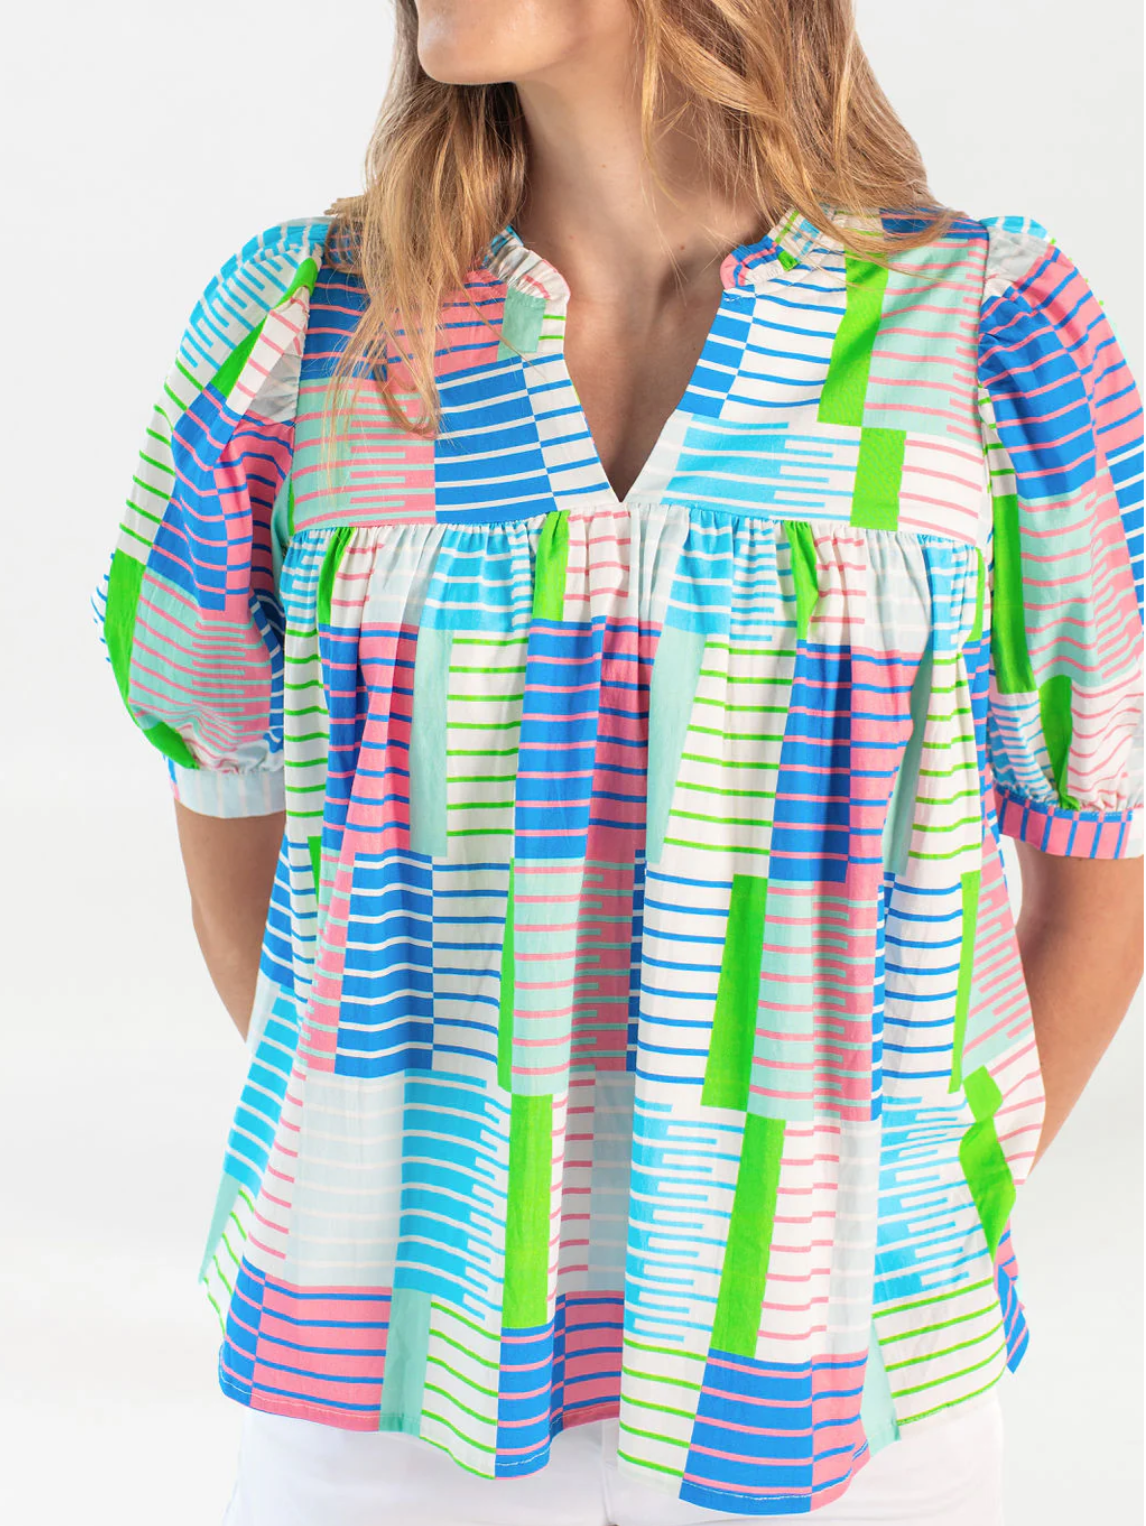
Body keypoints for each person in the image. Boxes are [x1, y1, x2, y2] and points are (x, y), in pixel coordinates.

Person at [92, 1, 1144, 1522]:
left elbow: (1099, 843)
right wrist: (421, 1168)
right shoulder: (307, 332)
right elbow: (229, 796)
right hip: (385, 1357)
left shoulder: (983, 332)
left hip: (831, 1369)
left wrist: (897, 1206)